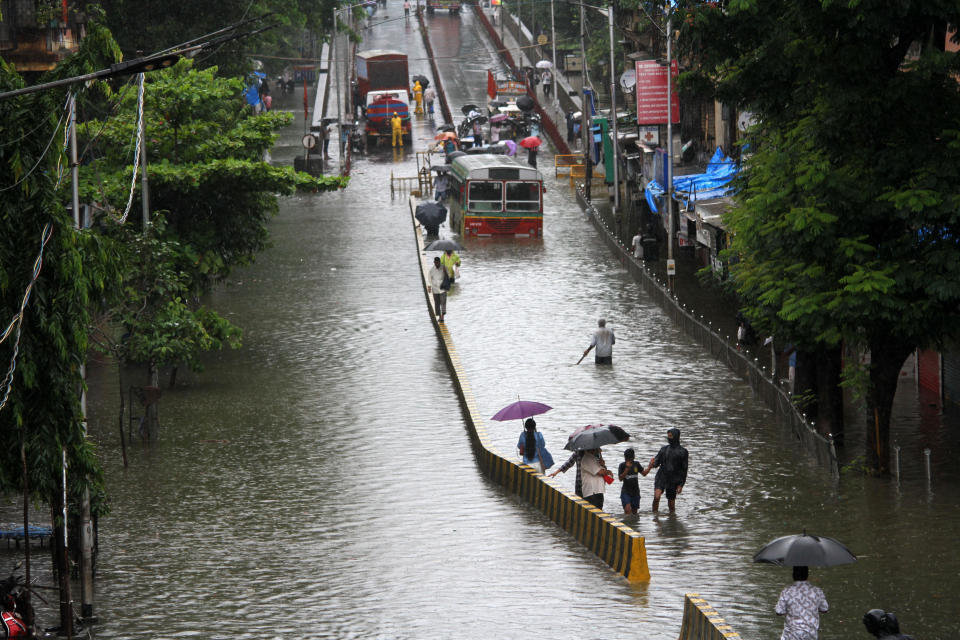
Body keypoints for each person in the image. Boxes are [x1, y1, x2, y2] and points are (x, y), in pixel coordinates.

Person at [775, 566, 828, 640]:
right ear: (807, 575)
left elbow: (779, 611)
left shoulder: (787, 591)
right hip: (811, 634)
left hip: (791, 634)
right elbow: (825, 609)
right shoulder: (817, 591)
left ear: (793, 575)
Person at [644, 428, 688, 512]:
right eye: (668, 436)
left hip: (673, 479)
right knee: (657, 497)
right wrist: (652, 463)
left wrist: (681, 485)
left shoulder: (683, 452)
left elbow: (684, 469)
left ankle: (672, 520)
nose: (669, 438)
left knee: (671, 504)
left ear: (676, 437)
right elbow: (657, 462)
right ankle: (655, 516)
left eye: (670, 436)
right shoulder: (664, 449)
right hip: (661, 476)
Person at [618, 448, 648, 514]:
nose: (629, 460)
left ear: (633, 457)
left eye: (630, 459)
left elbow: (644, 473)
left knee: (634, 513)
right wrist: (627, 469)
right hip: (626, 491)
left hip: (635, 492)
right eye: (627, 459)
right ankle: (626, 522)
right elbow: (620, 479)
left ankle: (632, 524)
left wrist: (650, 466)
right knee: (627, 509)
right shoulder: (622, 465)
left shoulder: (636, 464)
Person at [427, 256, 449, 322]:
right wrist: (429, 287)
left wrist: (445, 272)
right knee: (437, 303)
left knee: (443, 303)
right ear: (434, 263)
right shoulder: (431, 270)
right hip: (435, 289)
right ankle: (439, 316)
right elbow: (429, 280)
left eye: (437, 263)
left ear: (439, 262)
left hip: (443, 289)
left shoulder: (444, 268)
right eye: (435, 263)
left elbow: (448, 277)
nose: (436, 264)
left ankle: (442, 317)